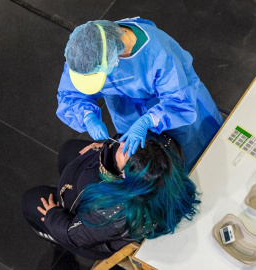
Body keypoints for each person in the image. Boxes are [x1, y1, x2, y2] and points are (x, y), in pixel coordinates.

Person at [56, 18, 223, 171]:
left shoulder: (159, 55)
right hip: (127, 114)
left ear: (113, 57)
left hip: (178, 115)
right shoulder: (87, 52)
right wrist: (87, 116)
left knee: (199, 157)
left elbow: (179, 101)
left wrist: (148, 120)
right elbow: (70, 94)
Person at [21, 133, 200, 260]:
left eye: (126, 153)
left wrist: (52, 215)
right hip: (89, 204)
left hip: (87, 232)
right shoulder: (164, 161)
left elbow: (74, 236)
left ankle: (50, 236)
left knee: (31, 202)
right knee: (69, 149)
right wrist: (106, 146)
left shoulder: (113, 214)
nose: (123, 144)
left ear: (126, 177)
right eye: (134, 143)